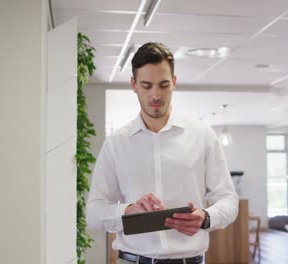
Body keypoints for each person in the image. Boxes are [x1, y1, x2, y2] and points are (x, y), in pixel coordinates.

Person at [86, 42, 239, 263]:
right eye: (147, 85)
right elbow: (94, 214)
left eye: (163, 85)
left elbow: (228, 200)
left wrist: (206, 217)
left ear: (174, 83)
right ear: (134, 85)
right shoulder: (116, 143)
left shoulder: (202, 135)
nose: (156, 95)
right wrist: (129, 211)